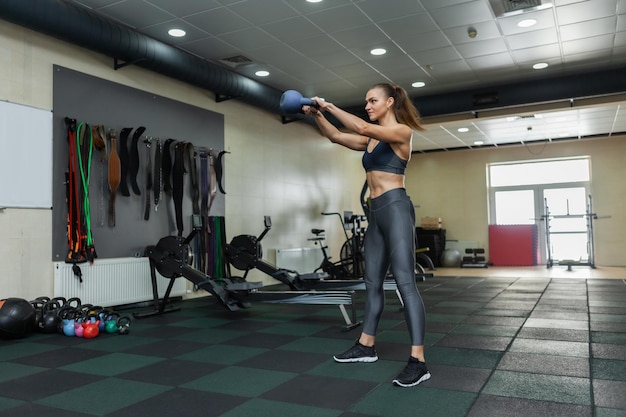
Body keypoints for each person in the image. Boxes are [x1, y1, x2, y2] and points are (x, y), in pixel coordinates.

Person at [302, 83, 430, 388]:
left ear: (389, 102)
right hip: (375, 214)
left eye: (372, 101)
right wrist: (316, 115)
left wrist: (329, 105)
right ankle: (366, 346)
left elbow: (359, 125)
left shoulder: (401, 132)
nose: (368, 106)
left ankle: (418, 361)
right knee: (371, 282)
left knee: (404, 284)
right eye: (366, 101)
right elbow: (334, 135)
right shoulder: (370, 141)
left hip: (397, 209)